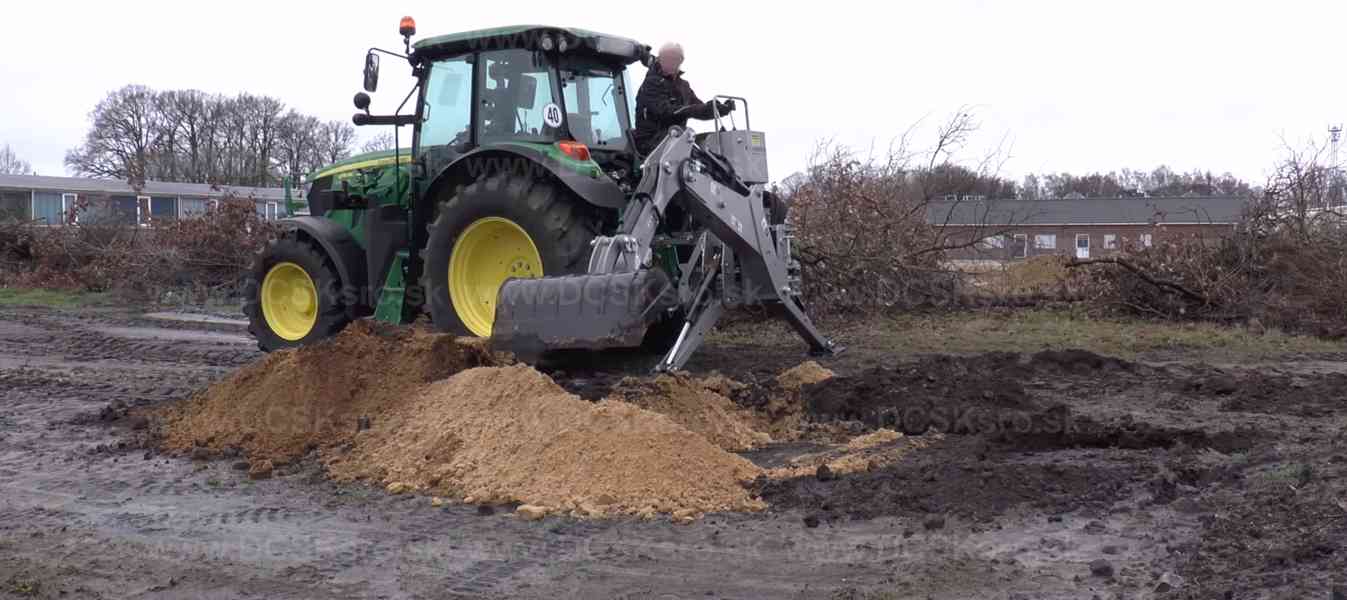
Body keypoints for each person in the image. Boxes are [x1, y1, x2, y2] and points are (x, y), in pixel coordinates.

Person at [633, 42, 734, 156]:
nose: (672, 62)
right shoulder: (651, 84)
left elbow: (698, 107)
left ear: (681, 61)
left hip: (674, 138)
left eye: (676, 59)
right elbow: (665, 111)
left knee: (710, 149)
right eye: (668, 58)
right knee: (691, 151)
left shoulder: (683, 86)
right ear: (661, 59)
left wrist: (717, 109)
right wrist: (691, 110)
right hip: (651, 142)